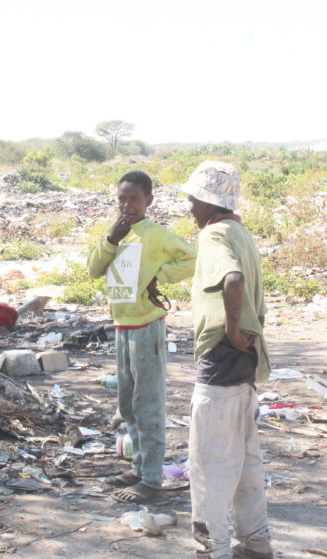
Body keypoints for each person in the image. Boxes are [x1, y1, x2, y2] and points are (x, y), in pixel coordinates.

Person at [88, 170, 197, 504]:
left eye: (134, 199)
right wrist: (112, 239)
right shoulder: (116, 233)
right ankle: (138, 468)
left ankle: (152, 480)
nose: (127, 205)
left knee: (148, 405)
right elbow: (93, 268)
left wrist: (159, 276)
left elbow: (192, 258)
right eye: (121, 198)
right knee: (128, 406)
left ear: (148, 200)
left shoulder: (155, 234)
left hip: (146, 326)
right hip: (122, 325)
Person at [183, 160, 274, 559]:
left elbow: (232, 279)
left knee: (208, 464)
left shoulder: (215, 234)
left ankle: (214, 548)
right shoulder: (242, 232)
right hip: (246, 362)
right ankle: (256, 543)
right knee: (245, 462)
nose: (189, 208)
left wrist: (233, 330)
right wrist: (243, 336)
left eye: (192, 200)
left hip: (221, 357)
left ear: (207, 201)